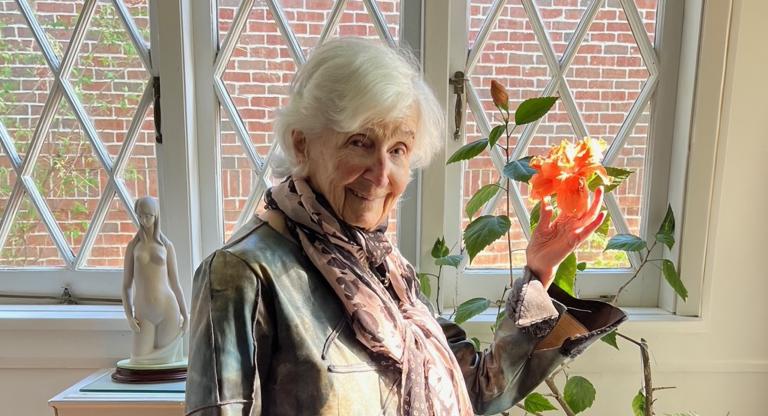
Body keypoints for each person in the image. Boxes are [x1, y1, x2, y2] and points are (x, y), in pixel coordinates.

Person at [185, 38, 625, 415]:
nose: (381, 174)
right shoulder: (240, 275)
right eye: (360, 142)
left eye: (398, 149)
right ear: (302, 141)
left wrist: (538, 276)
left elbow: (476, 392)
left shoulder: (385, 271)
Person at [122, 196, 188, 365]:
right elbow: (126, 286)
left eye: (148, 216)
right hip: (144, 313)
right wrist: (129, 316)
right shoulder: (133, 246)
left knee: (168, 363)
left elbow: (175, 283)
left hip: (168, 310)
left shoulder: (167, 246)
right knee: (139, 360)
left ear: (156, 215)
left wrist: (185, 315)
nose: (144, 220)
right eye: (140, 216)